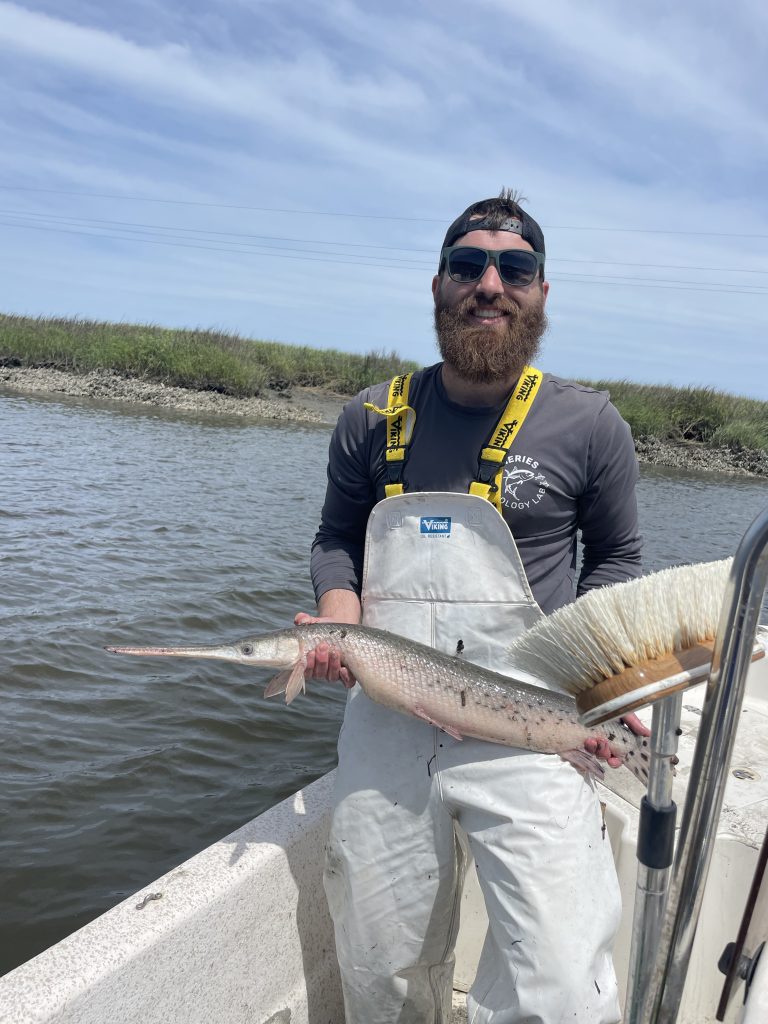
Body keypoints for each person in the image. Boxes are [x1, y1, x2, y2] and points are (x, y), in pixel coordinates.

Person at [295, 189, 645, 1024]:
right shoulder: (369, 419)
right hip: (387, 709)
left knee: (561, 987)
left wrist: (593, 683)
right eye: (468, 265)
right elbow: (336, 538)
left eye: (514, 267)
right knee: (380, 973)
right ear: (437, 285)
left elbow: (620, 561)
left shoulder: (591, 424)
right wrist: (339, 618)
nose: (489, 283)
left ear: (542, 293)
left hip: (530, 720)